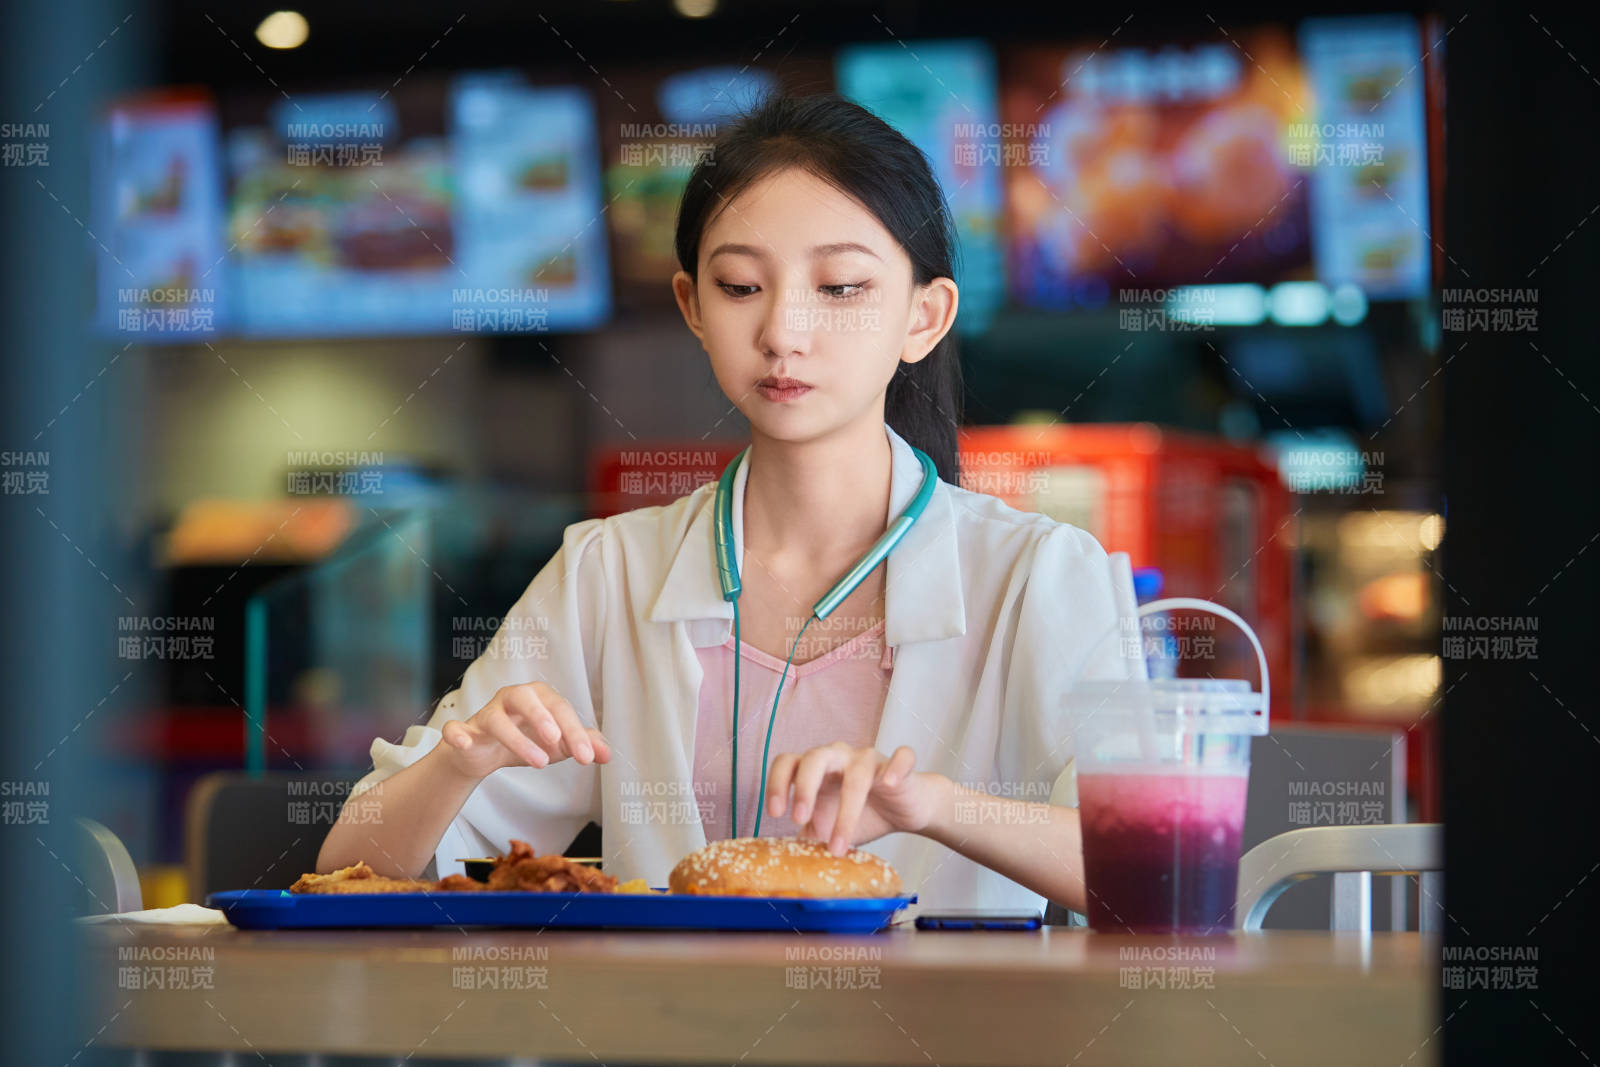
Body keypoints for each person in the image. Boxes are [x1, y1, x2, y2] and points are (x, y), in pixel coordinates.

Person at [317, 91, 1128, 914]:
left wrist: (936, 805)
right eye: (741, 285)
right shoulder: (607, 574)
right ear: (692, 306)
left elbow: (1154, 876)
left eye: (840, 286)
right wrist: (460, 763)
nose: (783, 332)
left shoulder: (1039, 575)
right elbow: (350, 867)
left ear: (925, 317)